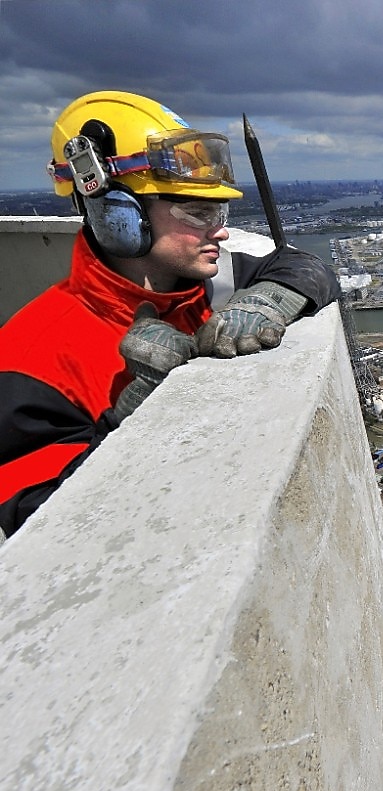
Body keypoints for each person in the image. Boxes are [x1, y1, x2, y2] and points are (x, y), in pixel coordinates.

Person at [0, 91, 338, 537]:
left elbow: (307, 268)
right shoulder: (28, 358)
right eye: (197, 213)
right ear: (117, 215)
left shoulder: (212, 285)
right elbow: (35, 520)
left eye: (219, 213)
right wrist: (130, 420)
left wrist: (270, 299)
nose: (220, 231)